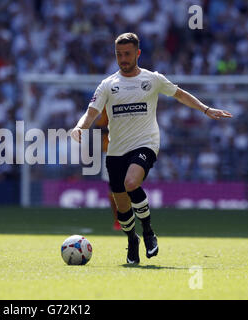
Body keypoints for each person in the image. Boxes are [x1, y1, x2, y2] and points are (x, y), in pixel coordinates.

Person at [71, 33, 232, 264]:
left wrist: (206, 109)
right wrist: (79, 127)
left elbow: (180, 94)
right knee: (122, 204)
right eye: (119, 54)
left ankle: (147, 231)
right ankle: (132, 239)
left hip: (145, 143)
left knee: (131, 183)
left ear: (138, 53)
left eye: (127, 54)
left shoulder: (153, 79)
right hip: (116, 150)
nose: (123, 59)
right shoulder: (108, 84)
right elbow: (92, 112)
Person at [95, 109, 121, 231]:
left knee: (129, 184)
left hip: (130, 149)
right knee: (113, 188)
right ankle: (118, 220)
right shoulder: (108, 106)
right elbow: (98, 127)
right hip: (110, 151)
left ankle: (127, 217)